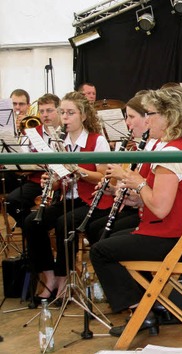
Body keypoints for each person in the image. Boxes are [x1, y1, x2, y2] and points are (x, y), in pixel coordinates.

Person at [90, 86, 182, 336]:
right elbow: (165, 201)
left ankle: (141, 310)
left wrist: (135, 179)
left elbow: (161, 208)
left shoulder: (172, 154)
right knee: (112, 239)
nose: (147, 119)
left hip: (174, 240)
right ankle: (151, 305)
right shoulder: (181, 147)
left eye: (151, 114)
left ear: (168, 116)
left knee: (100, 250)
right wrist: (135, 198)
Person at [22, 91, 112, 301]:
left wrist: (77, 169)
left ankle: (64, 278)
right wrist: (50, 182)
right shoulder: (58, 142)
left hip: (94, 200)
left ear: (83, 116)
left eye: (70, 113)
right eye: (62, 113)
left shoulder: (96, 141)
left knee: (65, 223)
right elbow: (58, 181)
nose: (65, 118)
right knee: (32, 223)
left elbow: (103, 176)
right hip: (68, 199)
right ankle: (49, 274)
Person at [85, 94, 151, 244]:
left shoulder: (154, 149)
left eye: (131, 117)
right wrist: (114, 190)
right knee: (94, 228)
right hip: (138, 206)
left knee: (102, 236)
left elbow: (148, 187)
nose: (127, 123)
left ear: (147, 118)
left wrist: (122, 175)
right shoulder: (137, 147)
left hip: (146, 213)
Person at [5, 94, 62, 228]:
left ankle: (34, 229)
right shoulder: (32, 132)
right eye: (41, 111)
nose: (45, 115)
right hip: (36, 179)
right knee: (11, 201)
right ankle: (30, 230)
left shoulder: (66, 130)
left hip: (60, 181)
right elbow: (24, 156)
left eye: (49, 110)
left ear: (59, 110)